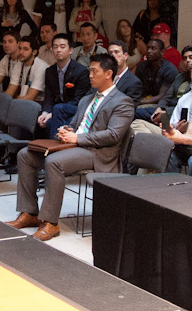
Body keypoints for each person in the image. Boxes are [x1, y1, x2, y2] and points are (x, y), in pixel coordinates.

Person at [8, 53, 132, 241]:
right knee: (25, 154)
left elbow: (113, 135)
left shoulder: (122, 101)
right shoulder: (87, 99)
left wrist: (78, 138)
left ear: (108, 74)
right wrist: (66, 131)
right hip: (75, 146)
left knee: (54, 162)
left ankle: (50, 222)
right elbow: (75, 125)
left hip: (98, 153)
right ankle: (30, 212)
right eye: (90, 71)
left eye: (94, 71)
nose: (89, 75)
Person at [38, 33, 91, 129]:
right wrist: (45, 113)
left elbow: (78, 100)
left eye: (62, 47)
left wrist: (53, 113)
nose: (58, 50)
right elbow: (49, 96)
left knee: (55, 116)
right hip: (56, 108)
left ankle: (53, 144)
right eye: (55, 47)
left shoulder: (81, 72)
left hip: (73, 110)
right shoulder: (50, 71)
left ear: (70, 50)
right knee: (39, 117)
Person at [2, 30, 49, 103]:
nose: (21, 52)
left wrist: (11, 103)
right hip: (22, 100)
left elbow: (30, 97)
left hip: (39, 103)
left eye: (25, 49)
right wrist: (4, 101)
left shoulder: (41, 67)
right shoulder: (19, 64)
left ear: (34, 52)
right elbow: (10, 91)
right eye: (20, 48)